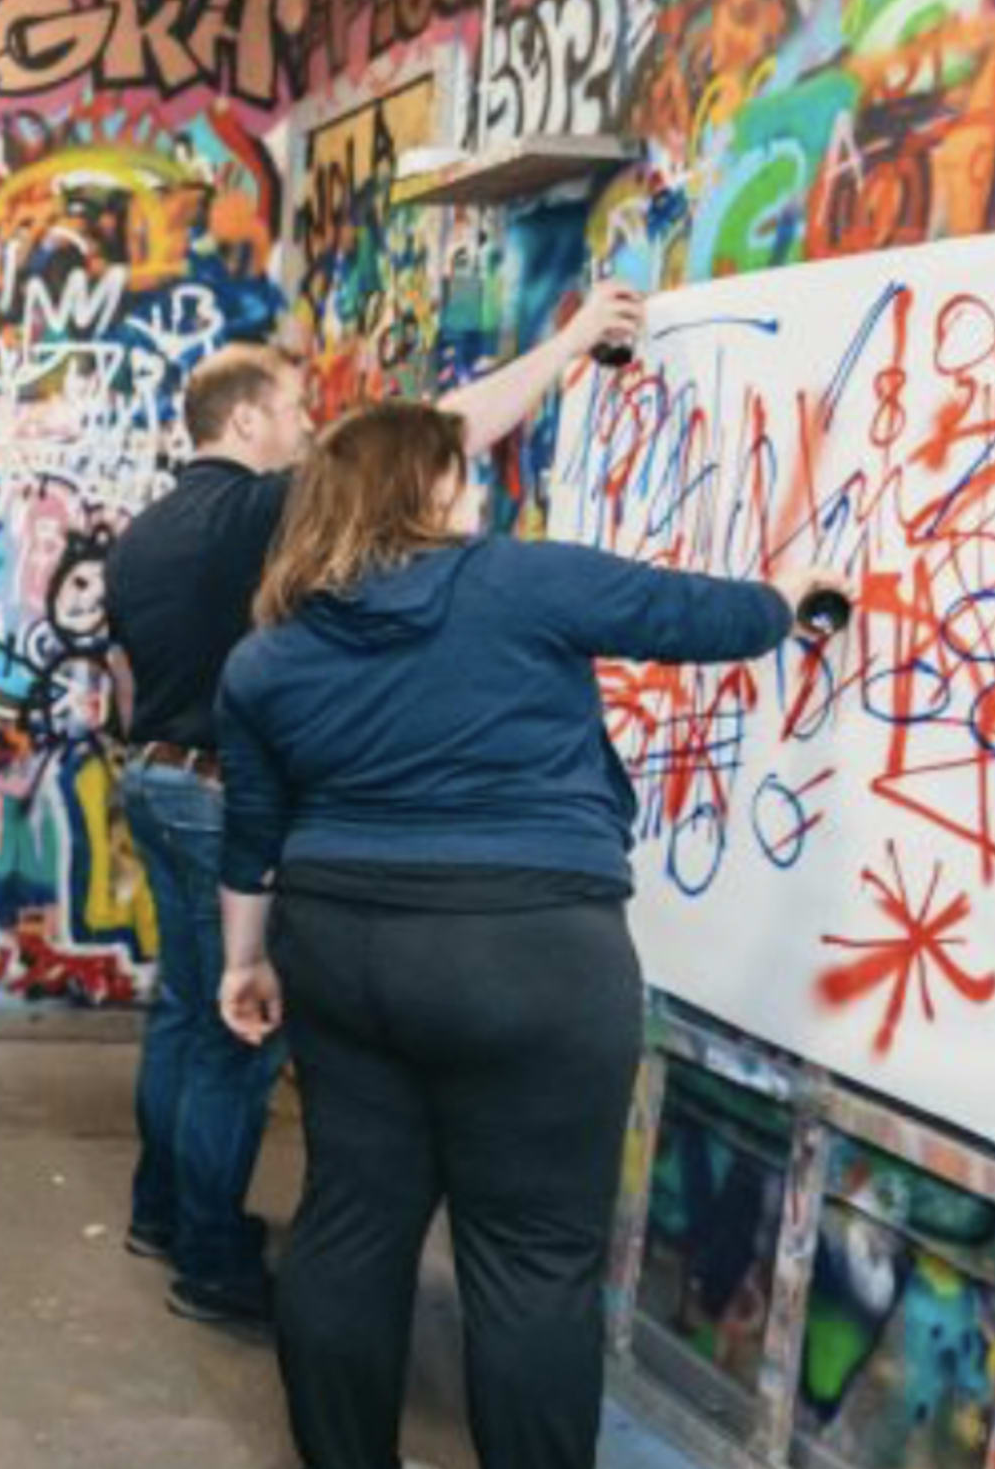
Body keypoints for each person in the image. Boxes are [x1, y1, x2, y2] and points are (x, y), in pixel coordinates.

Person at [212, 401, 839, 1469]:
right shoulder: (517, 581)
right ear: (423, 490)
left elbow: (253, 836)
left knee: (350, 1211)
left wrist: (247, 963)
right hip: (529, 950)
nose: (479, 499)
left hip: (341, 945)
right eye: (463, 478)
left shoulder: (268, 653)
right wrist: (794, 592)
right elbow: (695, 617)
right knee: (533, 1255)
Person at [106, 293, 647, 1336]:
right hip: (220, 791)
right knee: (235, 1041)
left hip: (155, 777)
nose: (310, 426)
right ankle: (214, 1261)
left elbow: (131, 677)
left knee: (181, 1014)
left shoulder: (143, 534)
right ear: (251, 420)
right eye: (298, 408)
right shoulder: (251, 508)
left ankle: (161, 1214)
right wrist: (572, 342)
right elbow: (441, 433)